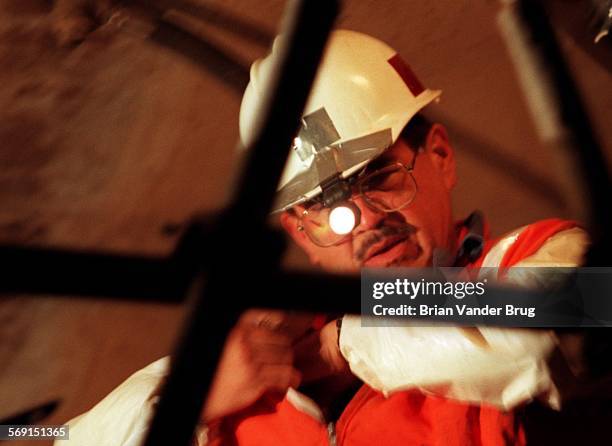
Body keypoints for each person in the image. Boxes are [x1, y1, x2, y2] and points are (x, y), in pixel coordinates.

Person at [57, 30, 589, 446]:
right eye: (327, 209)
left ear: (441, 157)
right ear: (299, 231)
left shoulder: (533, 261)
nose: (363, 219)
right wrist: (186, 398)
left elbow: (554, 331)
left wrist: (345, 343)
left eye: (381, 178)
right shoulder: (246, 372)